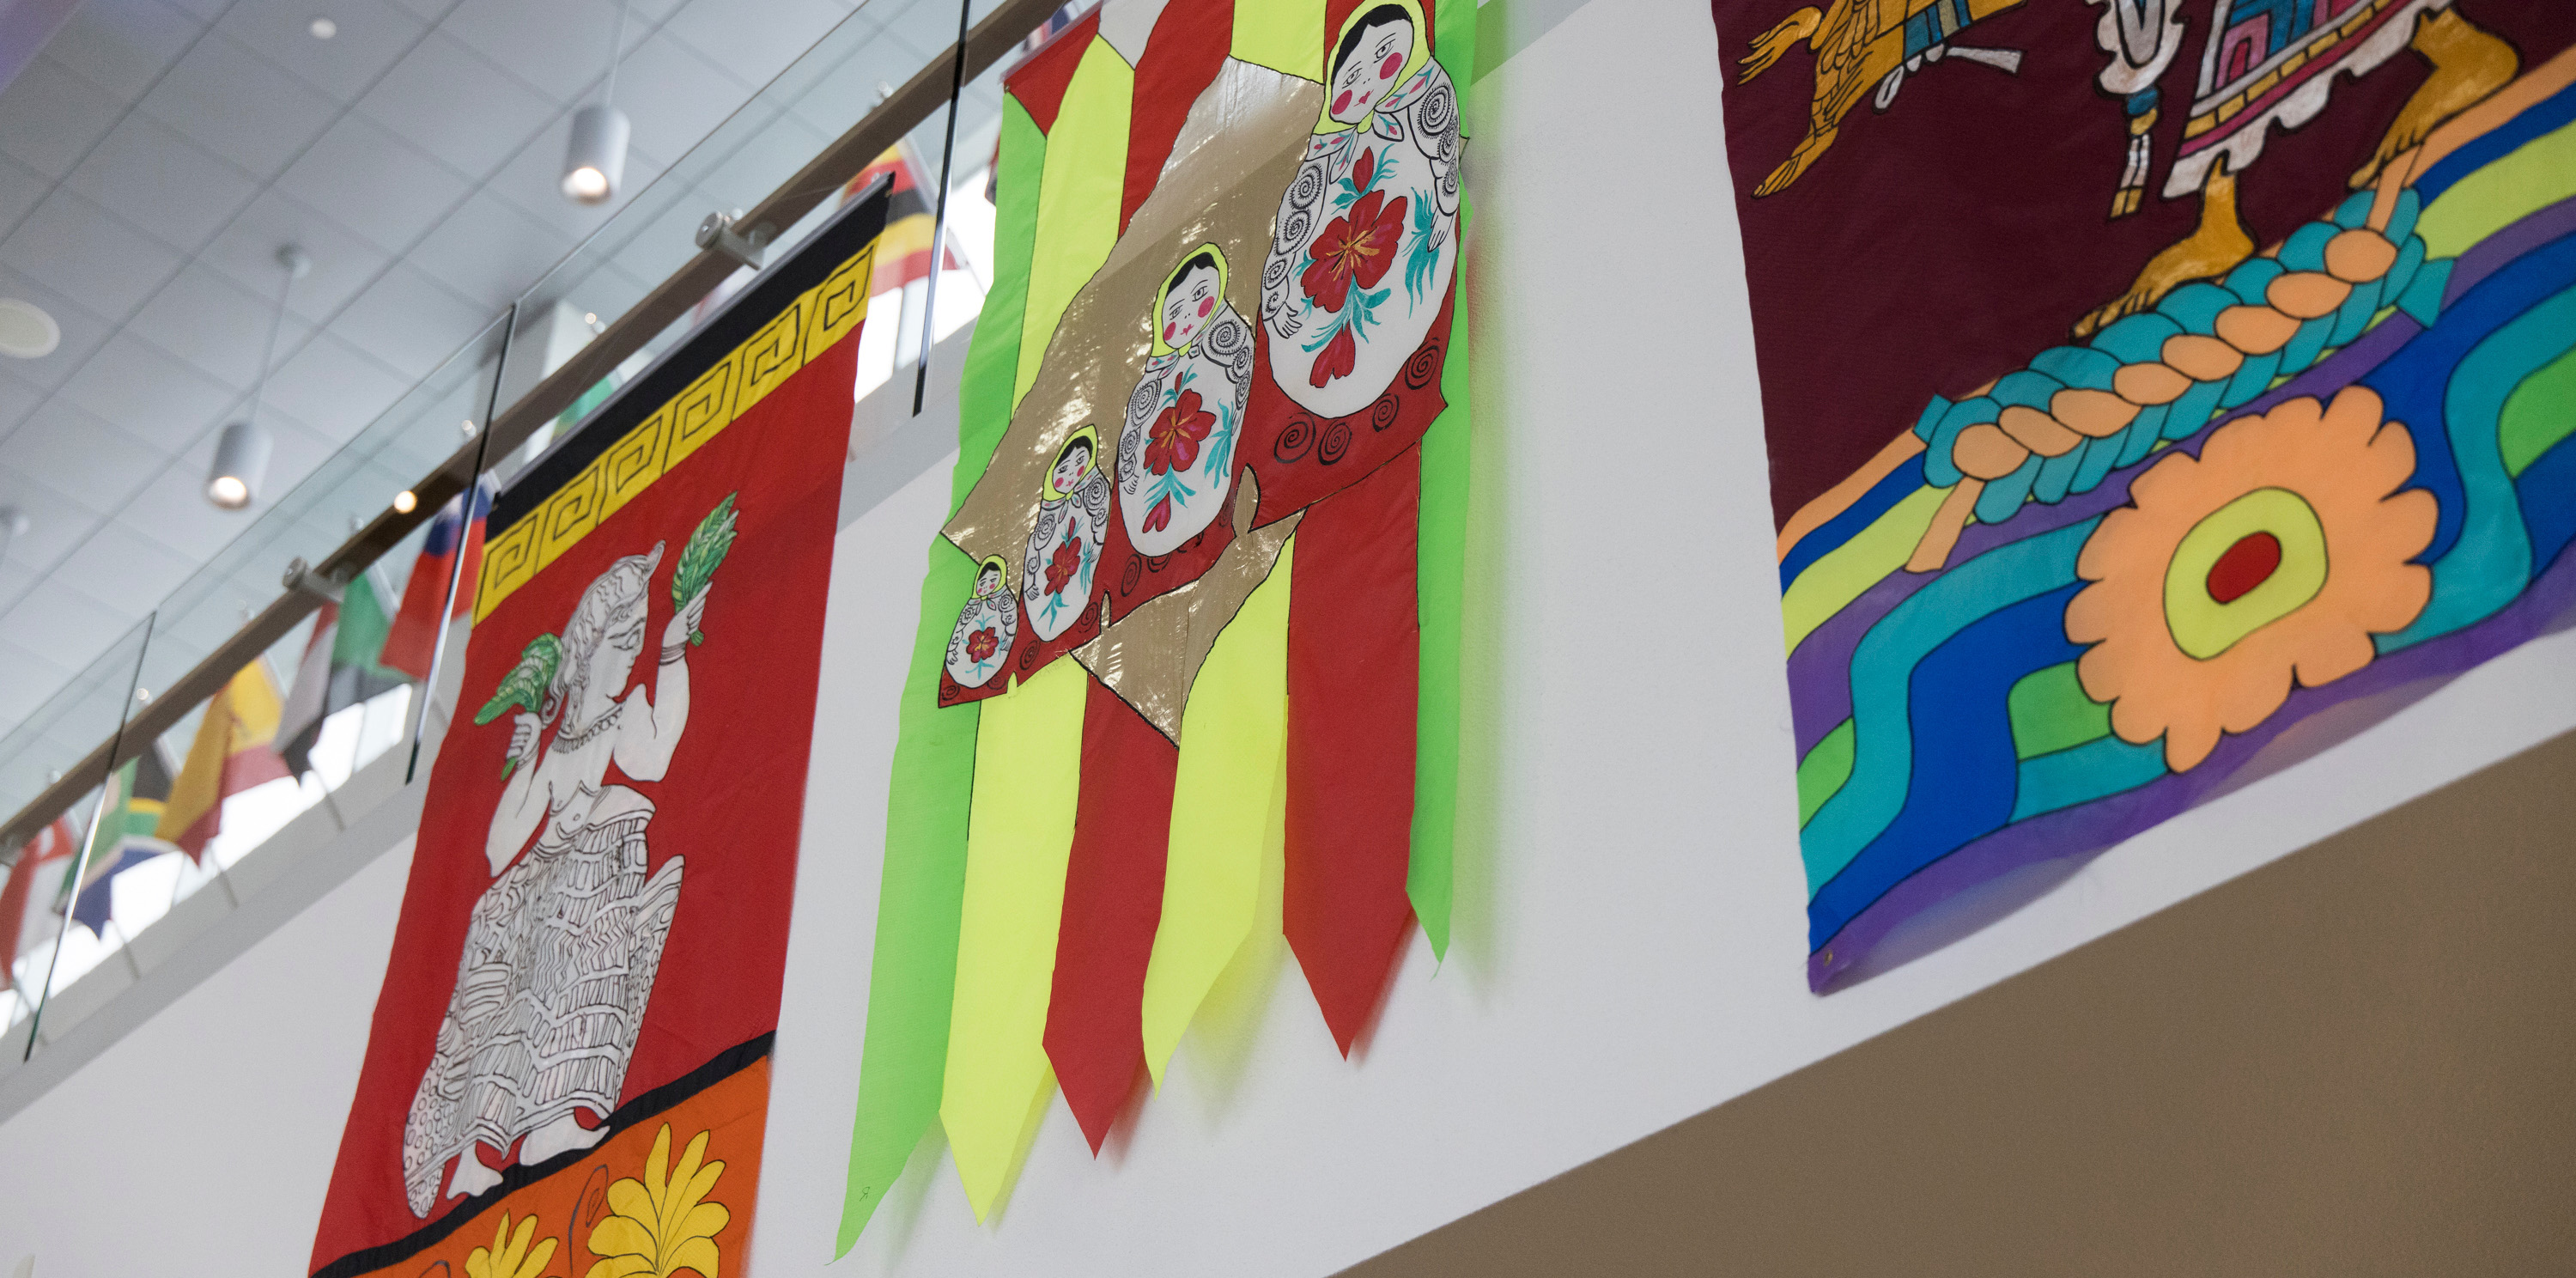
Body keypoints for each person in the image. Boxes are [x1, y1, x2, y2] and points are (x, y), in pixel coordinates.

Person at [398, 544, 705, 1214]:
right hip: (545, 896)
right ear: (589, 651)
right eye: (622, 642)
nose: (630, 655)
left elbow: (653, 759)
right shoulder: (563, 743)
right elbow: (502, 844)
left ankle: (554, 1125)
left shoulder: (624, 717)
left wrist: (673, 655)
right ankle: (474, 1159)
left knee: (585, 1000)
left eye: (636, 640)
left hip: (597, 871)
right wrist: (527, 752)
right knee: (513, 1021)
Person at [1261, 0, 1461, 418]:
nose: (1370, 81)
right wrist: (1276, 300)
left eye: (1384, 56)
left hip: (1402, 271)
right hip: (1322, 292)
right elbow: (1291, 235)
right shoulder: (1324, 158)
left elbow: (1443, 164)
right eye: (1352, 78)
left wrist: (1444, 208)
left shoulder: (1427, 97)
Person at [1120, 247, 1254, 557]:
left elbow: (1235, 409)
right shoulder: (1152, 383)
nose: (1190, 315)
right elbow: (1133, 448)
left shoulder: (1231, 339)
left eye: (1201, 295)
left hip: (1212, 492)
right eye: (1175, 312)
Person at [1023, 426, 1113, 641]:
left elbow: (1098, 528)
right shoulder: (1050, 514)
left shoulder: (1096, 491)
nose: (1072, 473)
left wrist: (1096, 544)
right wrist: (1032, 586)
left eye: (1080, 462)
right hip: (1050, 588)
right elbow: (1035, 552)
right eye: (1063, 470)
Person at [947, 555, 1020, 688]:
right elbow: (960, 627)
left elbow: (1011, 620)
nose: (987, 586)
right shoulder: (972, 605)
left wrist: (1009, 636)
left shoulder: (1005, 600)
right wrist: (952, 650)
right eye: (982, 583)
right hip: (970, 651)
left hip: (993, 649)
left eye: (993, 580)